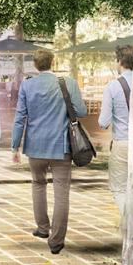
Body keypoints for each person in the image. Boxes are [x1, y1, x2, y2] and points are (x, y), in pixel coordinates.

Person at [11, 48, 84, 253]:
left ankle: (43, 228)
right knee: (61, 192)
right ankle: (56, 240)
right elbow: (82, 111)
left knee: (38, 184)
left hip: (35, 146)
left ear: (35, 65)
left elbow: (20, 118)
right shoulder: (68, 83)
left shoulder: (27, 85)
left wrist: (15, 146)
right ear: (53, 61)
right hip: (61, 147)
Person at [98, 45, 133, 228]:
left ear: (119, 62)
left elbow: (103, 122)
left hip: (122, 142)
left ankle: (129, 224)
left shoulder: (112, 87)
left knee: (120, 188)